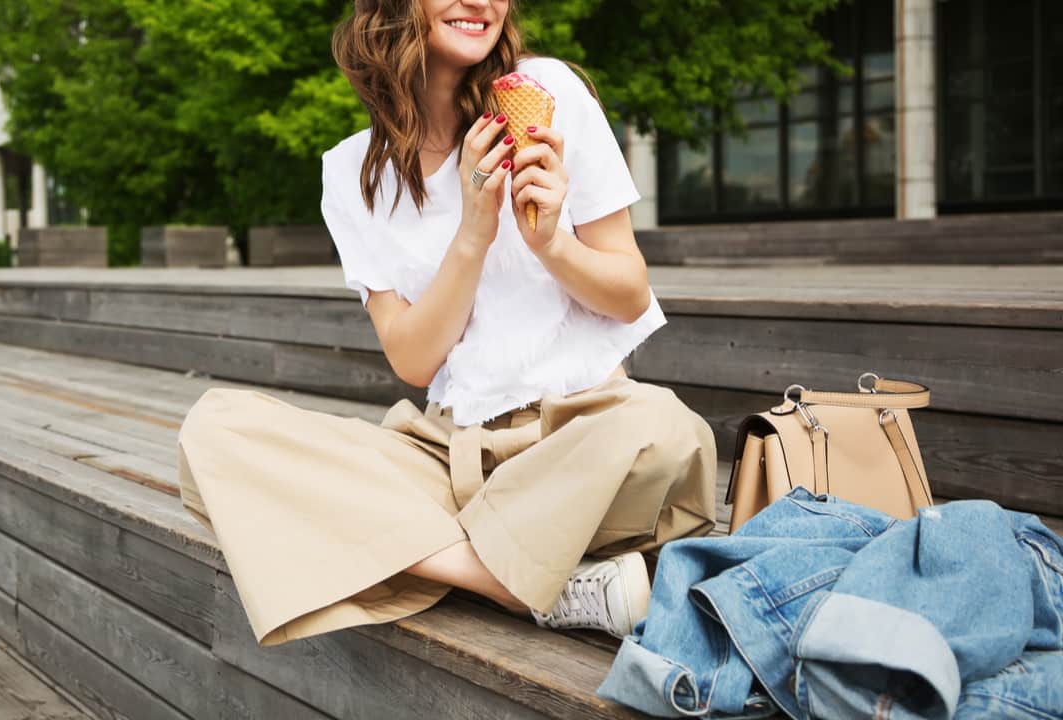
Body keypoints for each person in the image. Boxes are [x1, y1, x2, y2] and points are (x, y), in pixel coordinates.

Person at [176, 0, 718, 648]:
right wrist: (474, 233)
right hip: (446, 457)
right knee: (217, 433)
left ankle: (439, 549)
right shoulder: (351, 173)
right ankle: (512, 583)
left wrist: (551, 244)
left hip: (579, 440)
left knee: (666, 429)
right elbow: (413, 361)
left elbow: (629, 293)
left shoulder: (552, 95)